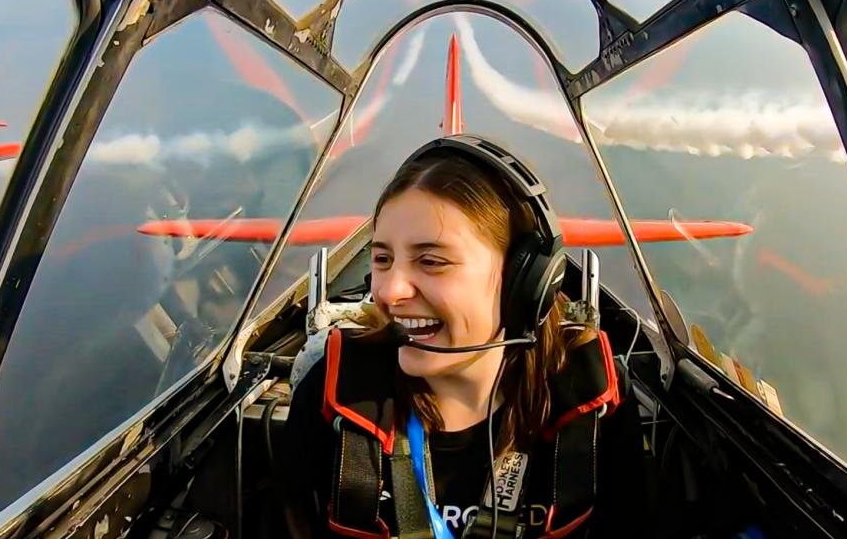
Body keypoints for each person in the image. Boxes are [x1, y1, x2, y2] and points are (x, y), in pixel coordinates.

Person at [269, 135, 648, 539]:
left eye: (431, 261)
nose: (390, 291)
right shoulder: (337, 392)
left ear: (525, 281)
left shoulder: (590, 400)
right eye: (382, 259)